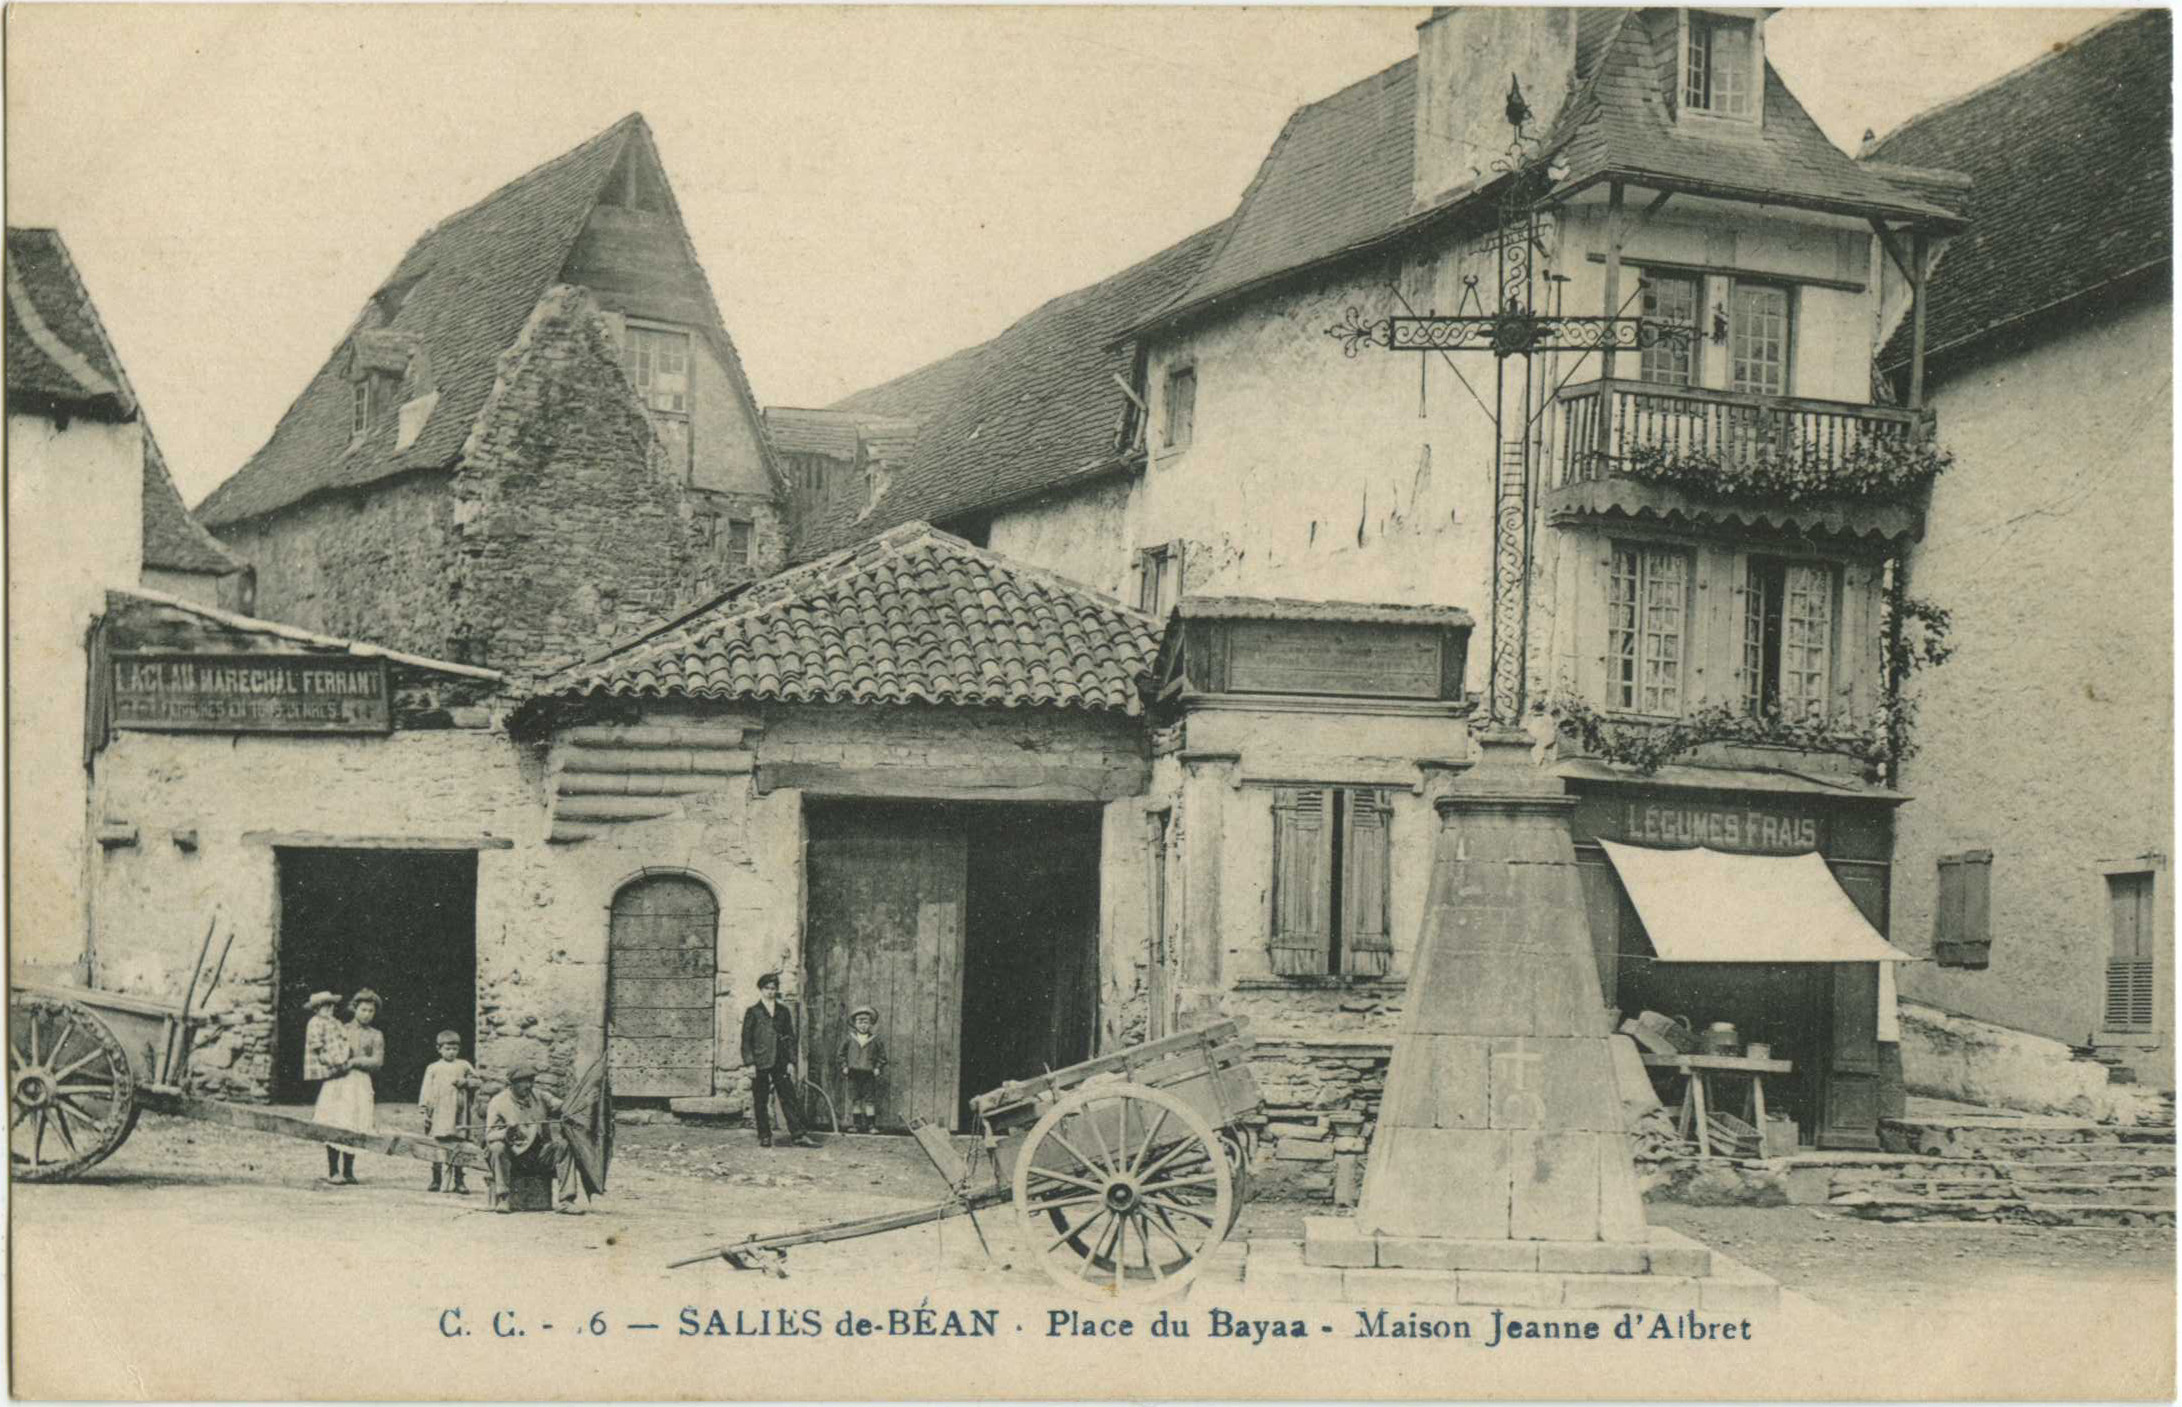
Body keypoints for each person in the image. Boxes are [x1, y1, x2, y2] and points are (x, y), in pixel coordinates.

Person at [484, 1060, 581, 1214]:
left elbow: (560, 1105)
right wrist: (506, 1133)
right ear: (512, 1084)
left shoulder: (539, 1095)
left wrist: (571, 1106)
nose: (528, 1086)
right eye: (523, 1082)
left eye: (531, 1081)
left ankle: (566, 1201)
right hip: (514, 1156)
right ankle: (503, 1198)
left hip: (538, 1154)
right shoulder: (498, 1102)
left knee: (563, 1146)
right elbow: (489, 1135)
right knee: (497, 1147)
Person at [739, 972, 816, 1148]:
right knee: (760, 1099)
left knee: (789, 1097)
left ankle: (798, 1134)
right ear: (761, 989)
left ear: (777, 990)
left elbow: (789, 1037)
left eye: (773, 988)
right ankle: (764, 1135)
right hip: (760, 1062)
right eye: (767, 988)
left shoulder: (783, 1011)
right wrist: (750, 1063)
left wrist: (790, 1062)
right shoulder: (753, 1012)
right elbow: (746, 1040)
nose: (770, 992)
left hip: (780, 1062)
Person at [316, 989, 384, 1184]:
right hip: (339, 1081)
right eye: (363, 1009)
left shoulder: (376, 1035)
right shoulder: (342, 1029)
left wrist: (355, 1062)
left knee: (355, 1121)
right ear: (354, 1009)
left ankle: (348, 1170)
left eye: (371, 1011)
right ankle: (333, 1171)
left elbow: (377, 1062)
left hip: (360, 1082)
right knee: (336, 1120)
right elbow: (328, 1051)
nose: (367, 1014)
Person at [417, 1030, 478, 1194]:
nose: (451, 1052)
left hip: (458, 1112)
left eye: (455, 1049)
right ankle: (436, 1179)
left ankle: (459, 1180)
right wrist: (424, 1110)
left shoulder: (463, 1065)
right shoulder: (434, 1068)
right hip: (439, 1113)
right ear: (439, 1049)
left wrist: (465, 1082)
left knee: (458, 1145)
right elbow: (426, 1089)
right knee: (438, 1144)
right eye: (447, 1049)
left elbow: (477, 1081)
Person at [302, 991, 350, 1184]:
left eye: (331, 1006)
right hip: (326, 1066)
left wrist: (344, 1057)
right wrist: (330, 1062)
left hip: (340, 1062)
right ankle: (333, 1169)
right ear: (316, 1009)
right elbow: (317, 1046)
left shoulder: (335, 1022)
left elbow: (344, 1039)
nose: (329, 1009)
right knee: (329, 1114)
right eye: (325, 1006)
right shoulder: (315, 1023)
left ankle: (347, 1170)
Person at [836, 1004, 888, 1135]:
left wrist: (877, 1067)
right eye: (860, 1022)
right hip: (853, 1073)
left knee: (869, 1101)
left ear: (870, 1024)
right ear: (854, 1023)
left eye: (866, 1022)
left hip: (868, 1074)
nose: (863, 1025)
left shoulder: (875, 1040)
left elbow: (882, 1056)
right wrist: (844, 1066)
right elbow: (840, 1054)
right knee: (855, 1100)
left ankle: (871, 1125)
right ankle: (856, 1125)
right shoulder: (849, 1038)